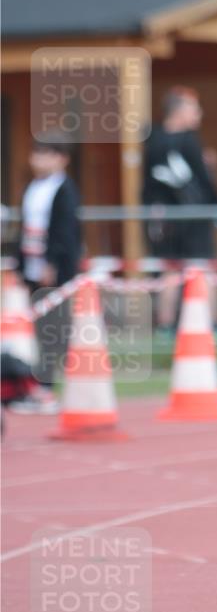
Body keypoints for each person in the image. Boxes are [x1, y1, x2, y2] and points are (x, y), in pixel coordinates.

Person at [142, 87, 217, 329]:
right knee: (202, 268)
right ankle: (212, 325)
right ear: (179, 110)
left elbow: (147, 186)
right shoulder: (189, 140)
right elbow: (203, 181)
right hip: (194, 216)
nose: (199, 114)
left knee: (169, 270)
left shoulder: (152, 141)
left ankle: (166, 325)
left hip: (163, 218)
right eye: (194, 108)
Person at [14, 135, 81, 414]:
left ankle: (47, 389)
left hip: (53, 270)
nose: (38, 160)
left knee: (53, 329)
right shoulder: (33, 187)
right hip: (32, 266)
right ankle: (41, 386)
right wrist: (21, 266)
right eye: (36, 153)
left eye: (46, 154)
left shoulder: (64, 189)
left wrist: (52, 263)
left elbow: (65, 232)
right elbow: (26, 227)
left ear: (61, 158)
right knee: (40, 330)